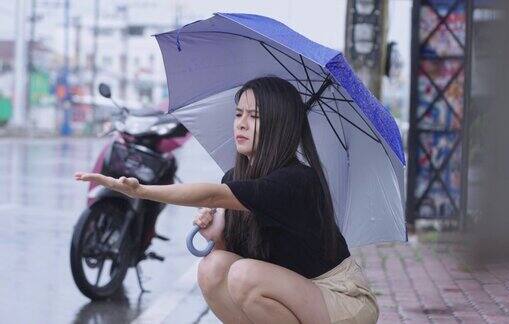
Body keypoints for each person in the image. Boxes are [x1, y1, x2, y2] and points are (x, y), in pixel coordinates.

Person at [74, 76, 379, 324]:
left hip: (339, 300)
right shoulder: (235, 177)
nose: (241, 124)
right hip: (295, 293)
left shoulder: (297, 181)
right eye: (238, 114)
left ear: (279, 126)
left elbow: (210, 195)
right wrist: (218, 235)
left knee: (245, 276)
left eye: (255, 116)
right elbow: (234, 258)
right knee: (214, 267)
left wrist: (141, 191)